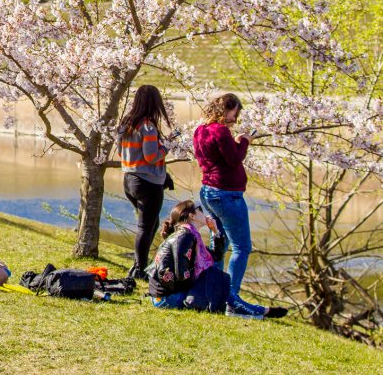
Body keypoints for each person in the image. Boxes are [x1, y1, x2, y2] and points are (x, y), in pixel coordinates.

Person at [147, 200, 286, 319]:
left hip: (171, 294)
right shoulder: (184, 236)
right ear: (191, 216)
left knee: (213, 276)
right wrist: (205, 284)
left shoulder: (191, 236)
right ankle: (253, 310)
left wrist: (215, 231)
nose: (204, 212)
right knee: (213, 276)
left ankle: (253, 309)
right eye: (200, 209)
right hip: (167, 298)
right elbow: (181, 274)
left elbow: (216, 256)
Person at [194, 93, 259, 305]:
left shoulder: (200, 130)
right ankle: (231, 296)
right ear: (227, 109)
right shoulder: (220, 131)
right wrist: (244, 142)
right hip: (226, 194)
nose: (236, 118)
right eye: (235, 113)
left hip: (209, 191)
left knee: (219, 242)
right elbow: (234, 159)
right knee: (242, 246)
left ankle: (213, 291)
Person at [117, 85, 173, 281]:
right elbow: (151, 157)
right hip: (148, 183)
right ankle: (140, 269)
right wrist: (166, 148)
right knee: (145, 226)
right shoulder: (148, 126)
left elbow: (119, 152)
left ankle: (140, 264)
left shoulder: (125, 124)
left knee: (151, 223)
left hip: (129, 180)